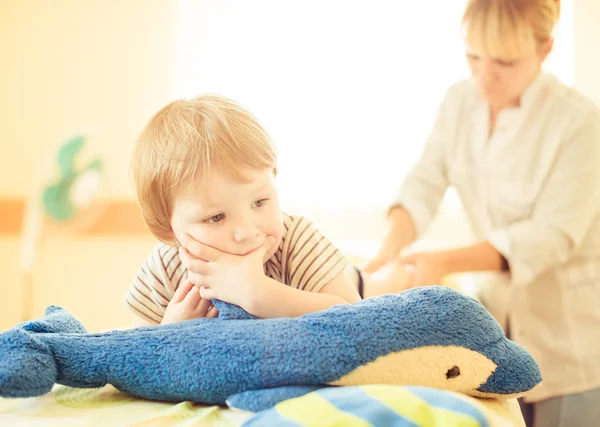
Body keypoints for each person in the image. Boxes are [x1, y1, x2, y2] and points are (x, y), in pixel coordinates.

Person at [362, 0, 600, 426]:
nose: (484, 76)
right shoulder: (459, 102)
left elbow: (550, 236)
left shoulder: (580, 122)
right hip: (497, 329)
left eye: (505, 61)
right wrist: (385, 255)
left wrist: (444, 261)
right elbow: (425, 182)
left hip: (571, 344)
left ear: (545, 49)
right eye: (474, 55)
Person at [125, 94, 360, 326]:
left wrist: (260, 294)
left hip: (356, 282)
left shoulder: (294, 239)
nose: (247, 232)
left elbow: (358, 318)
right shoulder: (165, 267)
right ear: (168, 229)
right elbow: (137, 353)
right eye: (216, 218)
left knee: (381, 282)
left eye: (259, 202)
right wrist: (171, 331)